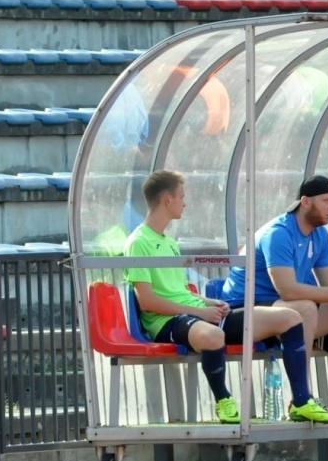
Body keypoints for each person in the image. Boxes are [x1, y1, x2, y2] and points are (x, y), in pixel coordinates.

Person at [124, 169, 310, 424]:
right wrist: (199, 312)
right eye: (182, 196)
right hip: (167, 322)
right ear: (168, 200)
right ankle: (224, 401)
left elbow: (179, 292)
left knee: (289, 317)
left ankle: (302, 402)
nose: (185, 203)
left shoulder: (169, 242)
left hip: (194, 314)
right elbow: (147, 301)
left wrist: (210, 303)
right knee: (213, 335)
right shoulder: (137, 242)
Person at [220, 175, 328, 423]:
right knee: (303, 308)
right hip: (246, 311)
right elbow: (288, 290)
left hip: (285, 312)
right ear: (305, 201)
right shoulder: (279, 233)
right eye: (327, 201)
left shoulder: (320, 235)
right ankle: (302, 400)